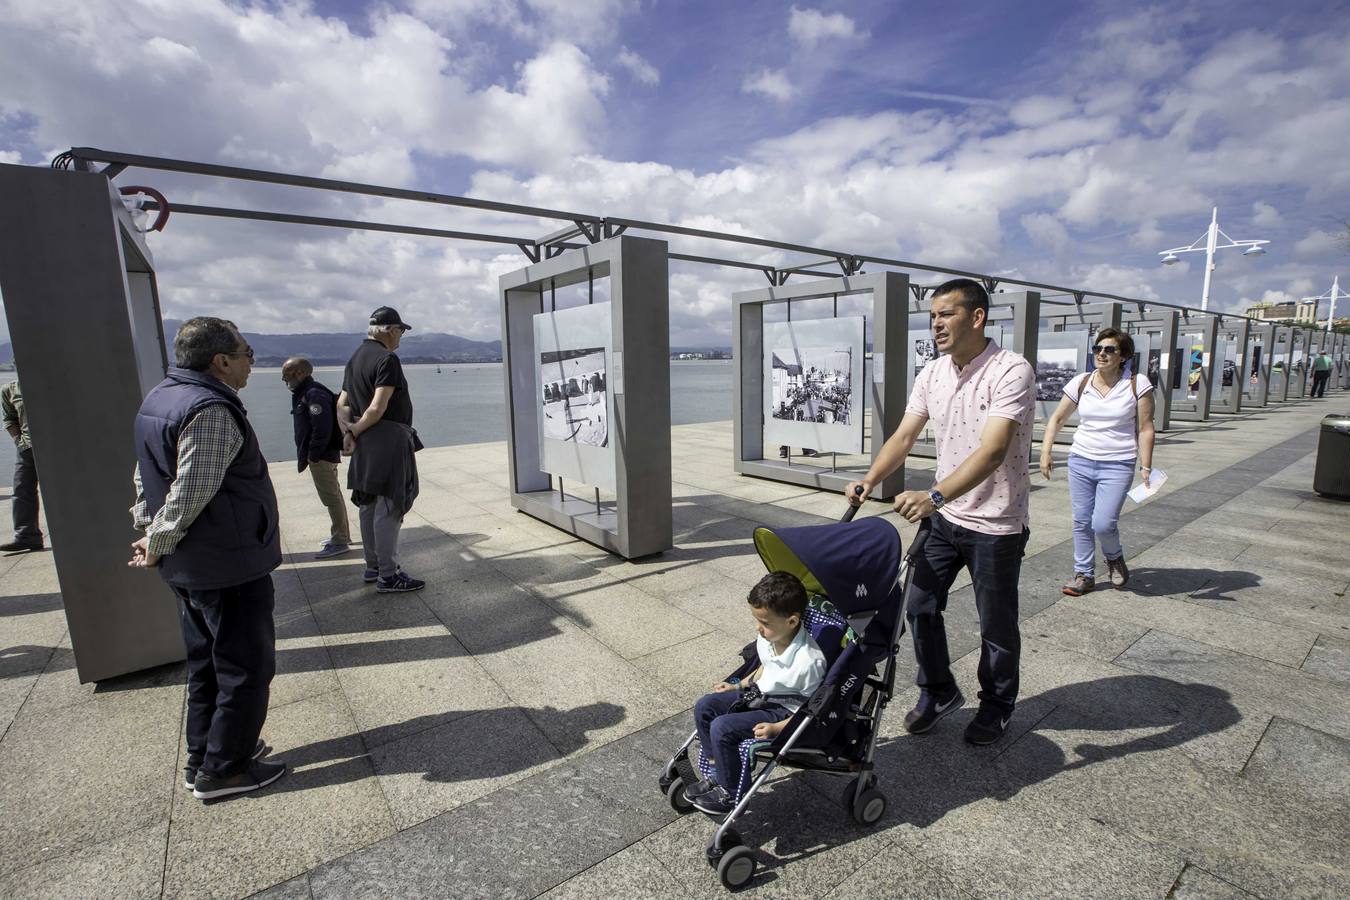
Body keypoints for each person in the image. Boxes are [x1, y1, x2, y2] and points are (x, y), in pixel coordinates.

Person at [846, 278, 1034, 746]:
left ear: (977, 317)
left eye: (946, 313)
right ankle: (939, 691)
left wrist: (933, 496)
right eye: (932, 316)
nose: (936, 323)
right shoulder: (932, 373)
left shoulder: (1011, 371)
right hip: (946, 519)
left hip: (996, 522)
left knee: (996, 622)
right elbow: (904, 436)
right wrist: (871, 479)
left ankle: (997, 705)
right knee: (919, 607)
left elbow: (992, 451)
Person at [128, 317, 286, 800]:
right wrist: (157, 539)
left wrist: (147, 526)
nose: (250, 363)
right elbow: (193, 487)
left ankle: (204, 753)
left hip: (194, 565)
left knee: (207, 662)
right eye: (246, 354)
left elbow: (146, 474)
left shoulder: (161, 398)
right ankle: (226, 769)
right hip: (227, 560)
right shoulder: (211, 408)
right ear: (220, 361)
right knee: (245, 665)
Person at [687, 571, 826, 815]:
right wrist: (738, 685)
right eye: (757, 620)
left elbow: (810, 709)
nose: (758, 628)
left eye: (765, 623)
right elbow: (764, 667)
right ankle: (715, 771)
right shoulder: (770, 637)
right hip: (759, 694)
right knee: (705, 706)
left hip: (784, 710)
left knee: (722, 727)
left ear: (792, 621)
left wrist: (778, 729)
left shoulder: (809, 662)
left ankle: (732, 794)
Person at [1040, 329, 1156, 596]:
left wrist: (1146, 467)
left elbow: (1146, 427)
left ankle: (1114, 557)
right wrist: (1047, 452)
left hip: (1118, 462)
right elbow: (1057, 418)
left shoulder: (1137, 384)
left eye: (1110, 349)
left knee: (1103, 523)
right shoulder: (1082, 382)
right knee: (1081, 521)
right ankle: (1084, 574)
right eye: (1097, 348)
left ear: (1124, 355)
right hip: (1081, 459)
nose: (1101, 354)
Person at [338, 306, 425, 593]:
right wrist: (356, 430)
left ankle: (373, 565)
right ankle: (388, 575)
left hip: (365, 441)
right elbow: (378, 406)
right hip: (387, 439)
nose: (401, 336)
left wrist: (349, 432)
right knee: (389, 505)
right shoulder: (387, 359)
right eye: (400, 330)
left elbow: (342, 404)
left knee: (368, 504)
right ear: (389, 329)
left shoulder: (355, 359)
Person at [281, 357, 351, 559]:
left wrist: (313, 455)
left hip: (322, 456)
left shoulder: (314, 394)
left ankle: (339, 540)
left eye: (287, 373)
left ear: (300, 373)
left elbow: (322, 428)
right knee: (333, 495)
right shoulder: (307, 392)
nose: (284, 378)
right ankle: (341, 534)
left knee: (330, 497)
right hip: (322, 454)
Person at [1, 378, 44, 552]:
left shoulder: (43, 382)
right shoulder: (8, 389)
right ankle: (27, 536)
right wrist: (19, 441)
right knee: (21, 490)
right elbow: (9, 419)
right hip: (26, 448)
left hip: (51, 446)